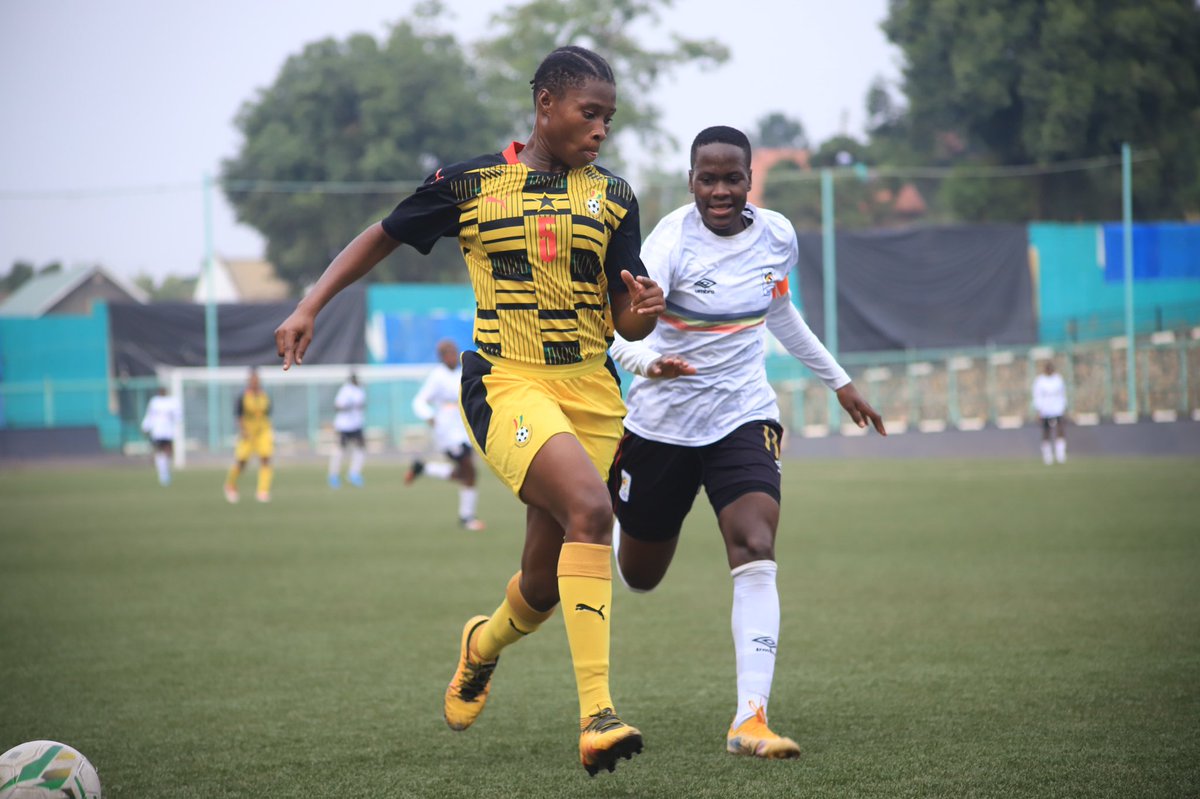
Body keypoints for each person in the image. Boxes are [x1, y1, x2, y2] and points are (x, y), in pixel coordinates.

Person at [273, 46, 664, 776]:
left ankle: (481, 644)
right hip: (508, 383)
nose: (601, 129)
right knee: (591, 512)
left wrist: (640, 315)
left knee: (542, 585)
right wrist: (309, 303)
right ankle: (598, 715)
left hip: (594, 393)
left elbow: (626, 318)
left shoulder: (614, 198)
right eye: (589, 112)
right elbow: (381, 235)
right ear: (545, 104)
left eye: (609, 117)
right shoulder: (472, 182)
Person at [607, 125, 886, 760]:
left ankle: (750, 719)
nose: (721, 190)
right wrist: (650, 365)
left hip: (743, 414)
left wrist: (838, 381)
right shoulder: (669, 244)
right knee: (640, 576)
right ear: (691, 182)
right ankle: (618, 517)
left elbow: (779, 309)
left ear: (750, 178)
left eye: (732, 177)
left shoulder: (777, 235)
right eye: (708, 178)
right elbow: (616, 334)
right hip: (660, 425)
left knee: (756, 544)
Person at [406, 339, 486, 531]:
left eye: (454, 352)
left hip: (464, 429)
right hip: (447, 432)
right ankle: (467, 518)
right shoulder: (437, 376)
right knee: (469, 471)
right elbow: (419, 401)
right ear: (442, 356)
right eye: (448, 353)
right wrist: (430, 416)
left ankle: (423, 468)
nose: (452, 356)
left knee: (464, 473)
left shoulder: (461, 373)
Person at [224, 368, 274, 503]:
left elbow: (267, 413)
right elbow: (238, 415)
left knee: (265, 459)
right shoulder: (243, 396)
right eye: (252, 380)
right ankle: (230, 484)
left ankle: (263, 491)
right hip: (248, 433)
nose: (255, 382)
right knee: (242, 462)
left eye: (256, 380)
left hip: (263, 431)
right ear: (248, 381)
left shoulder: (265, 395)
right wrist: (243, 430)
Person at [329, 371, 367, 488]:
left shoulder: (360, 391)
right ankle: (333, 475)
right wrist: (347, 406)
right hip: (344, 426)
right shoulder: (345, 390)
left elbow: (362, 405)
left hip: (356, 425)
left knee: (360, 449)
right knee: (340, 450)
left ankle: (354, 473)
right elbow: (338, 406)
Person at [141, 385, 180, 487]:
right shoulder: (154, 402)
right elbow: (149, 415)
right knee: (159, 451)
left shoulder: (172, 402)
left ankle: (166, 471)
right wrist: (145, 426)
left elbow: (178, 416)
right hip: (158, 432)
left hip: (168, 432)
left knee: (168, 452)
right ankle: (163, 474)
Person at [1032, 360, 1067, 464]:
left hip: (1057, 409)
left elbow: (1062, 394)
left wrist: (1064, 407)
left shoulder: (1058, 379)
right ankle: (1047, 455)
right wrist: (1038, 410)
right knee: (1046, 432)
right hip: (1045, 410)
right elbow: (1037, 396)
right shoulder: (1040, 380)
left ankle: (1060, 453)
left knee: (1060, 429)